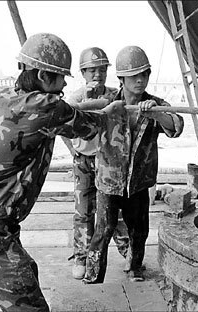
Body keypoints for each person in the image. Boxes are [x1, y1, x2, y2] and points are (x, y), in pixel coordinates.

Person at [0, 33, 125, 312]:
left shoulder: (7, 97)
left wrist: (96, 106)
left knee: (26, 276)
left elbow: (67, 111)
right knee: (30, 307)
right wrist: (111, 111)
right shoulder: (46, 107)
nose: (65, 83)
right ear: (42, 75)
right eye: (60, 77)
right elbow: (90, 126)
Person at [83, 46, 184, 284]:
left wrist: (156, 115)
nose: (140, 80)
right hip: (109, 180)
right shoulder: (107, 103)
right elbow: (82, 122)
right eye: (134, 76)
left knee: (138, 229)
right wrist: (95, 107)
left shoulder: (156, 104)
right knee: (104, 229)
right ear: (121, 79)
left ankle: (135, 267)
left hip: (139, 182)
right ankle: (93, 272)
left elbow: (176, 126)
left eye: (144, 75)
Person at [65, 47, 129, 280]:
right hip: (83, 161)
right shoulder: (76, 98)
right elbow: (63, 119)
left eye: (102, 70)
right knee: (83, 211)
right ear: (83, 72)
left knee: (114, 210)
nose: (97, 75)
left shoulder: (114, 95)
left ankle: (128, 253)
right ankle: (81, 257)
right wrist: (72, 148)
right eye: (92, 70)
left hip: (107, 161)